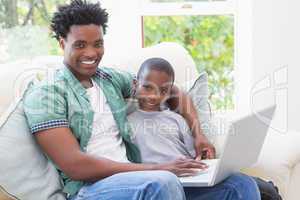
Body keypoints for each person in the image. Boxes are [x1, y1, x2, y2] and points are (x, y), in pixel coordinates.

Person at [23, 0, 261, 199]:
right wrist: (158, 168)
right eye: (80, 45)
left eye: (98, 44)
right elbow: (75, 165)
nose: (91, 53)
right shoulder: (46, 95)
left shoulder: (108, 79)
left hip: (145, 179)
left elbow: (173, 91)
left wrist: (198, 134)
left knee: (240, 185)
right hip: (92, 189)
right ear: (62, 43)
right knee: (164, 183)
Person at [128, 57, 282, 200]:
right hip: (164, 185)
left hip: (189, 181)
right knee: (245, 186)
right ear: (135, 84)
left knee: (244, 183)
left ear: (169, 93)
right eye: (148, 87)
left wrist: (204, 159)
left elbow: (194, 155)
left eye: (162, 91)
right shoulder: (127, 123)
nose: (154, 96)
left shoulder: (175, 119)